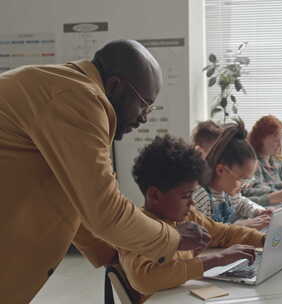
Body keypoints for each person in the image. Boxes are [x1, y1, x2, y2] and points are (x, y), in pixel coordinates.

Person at [0, 40, 208, 303]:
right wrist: (173, 238)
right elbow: (105, 211)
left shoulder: (62, 88)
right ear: (114, 87)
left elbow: (74, 197)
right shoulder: (78, 97)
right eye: (144, 104)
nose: (145, 118)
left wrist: (114, 255)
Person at [120, 135, 264, 295]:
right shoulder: (135, 230)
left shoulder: (187, 215)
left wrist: (264, 240)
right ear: (155, 196)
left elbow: (223, 233)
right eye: (185, 196)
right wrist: (217, 259)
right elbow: (145, 279)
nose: (192, 203)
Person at [192, 119, 273, 230]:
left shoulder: (228, 192)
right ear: (221, 170)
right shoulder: (200, 197)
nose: (245, 185)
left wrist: (258, 211)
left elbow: (242, 203)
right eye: (242, 179)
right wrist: (238, 226)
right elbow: (202, 235)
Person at [243, 115, 282, 206]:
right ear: (260, 139)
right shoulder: (252, 164)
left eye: (281, 140)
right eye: (276, 140)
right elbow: (252, 190)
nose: (280, 145)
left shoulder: (274, 161)